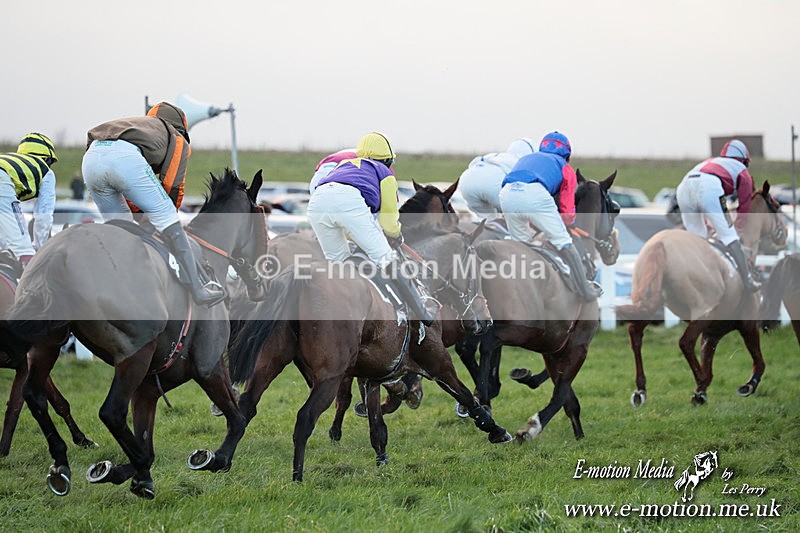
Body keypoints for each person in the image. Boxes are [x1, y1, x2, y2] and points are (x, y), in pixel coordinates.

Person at [81, 101, 226, 306]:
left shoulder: (139, 126)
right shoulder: (177, 137)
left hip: (90, 159)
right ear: (181, 127)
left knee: (120, 230)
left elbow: (133, 187)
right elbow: (172, 184)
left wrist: (141, 214)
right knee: (167, 217)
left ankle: (111, 282)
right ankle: (199, 288)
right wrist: (165, 218)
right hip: (124, 159)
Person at [307, 132, 439, 325]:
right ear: (388, 159)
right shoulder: (384, 173)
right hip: (347, 201)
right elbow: (388, 219)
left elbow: (352, 225)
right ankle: (423, 313)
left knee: (338, 264)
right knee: (387, 258)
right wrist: (396, 235)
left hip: (317, 203)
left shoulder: (344, 165)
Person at [499, 131, 601, 301]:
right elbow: (567, 212)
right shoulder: (565, 167)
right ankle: (586, 290)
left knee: (522, 248)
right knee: (563, 241)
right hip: (534, 195)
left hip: (506, 195)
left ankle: (518, 293)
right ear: (567, 154)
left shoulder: (526, 158)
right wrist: (566, 221)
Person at [676, 139, 760, 292]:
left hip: (683, 188)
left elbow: (700, 194)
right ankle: (748, 280)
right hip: (709, 187)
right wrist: (739, 226)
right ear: (744, 161)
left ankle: (690, 279)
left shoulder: (711, 162)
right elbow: (745, 205)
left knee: (697, 239)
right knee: (730, 236)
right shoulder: (742, 170)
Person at [0, 133, 58, 265]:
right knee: (24, 250)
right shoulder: (45, 171)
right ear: (46, 158)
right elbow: (43, 216)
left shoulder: (13, 162)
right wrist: (40, 248)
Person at [459, 138, 536, 220]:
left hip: (466, 182)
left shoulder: (496, 156)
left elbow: (473, 163)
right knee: (515, 220)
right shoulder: (521, 161)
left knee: (487, 221)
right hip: (492, 184)